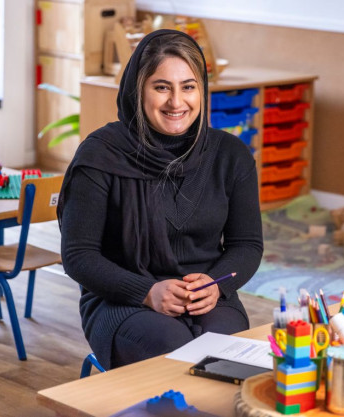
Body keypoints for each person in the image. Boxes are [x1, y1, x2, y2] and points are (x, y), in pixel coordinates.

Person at [58, 29, 263, 370]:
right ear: (138, 89)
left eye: (188, 86)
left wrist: (217, 284)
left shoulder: (231, 155)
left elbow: (247, 244)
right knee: (172, 349)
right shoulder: (100, 155)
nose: (176, 102)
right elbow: (78, 256)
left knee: (225, 353)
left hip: (208, 296)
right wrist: (146, 291)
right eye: (162, 87)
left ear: (202, 90)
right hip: (121, 299)